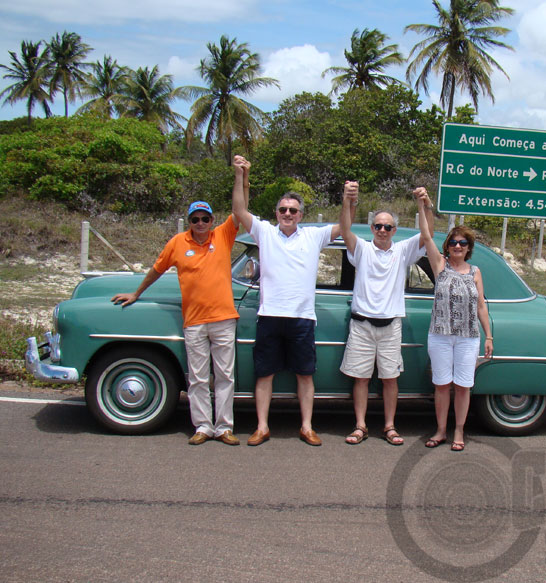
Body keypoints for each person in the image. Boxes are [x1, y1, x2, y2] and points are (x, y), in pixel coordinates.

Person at [111, 165, 247, 446]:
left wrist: (240, 176)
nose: (200, 223)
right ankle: (202, 427)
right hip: (194, 321)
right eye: (195, 219)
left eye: (205, 218)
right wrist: (137, 293)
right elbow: (156, 270)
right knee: (197, 378)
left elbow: (240, 207)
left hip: (223, 318)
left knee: (224, 376)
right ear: (189, 221)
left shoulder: (223, 235)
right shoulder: (177, 243)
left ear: (212, 219)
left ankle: (224, 427)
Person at [231, 157, 356, 447]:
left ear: (300, 215)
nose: (288, 213)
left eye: (293, 210)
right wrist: (240, 176)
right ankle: (262, 426)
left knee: (305, 374)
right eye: (283, 209)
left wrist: (349, 200)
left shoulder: (313, 236)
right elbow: (239, 210)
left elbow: (344, 227)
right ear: (276, 213)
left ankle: (307, 426)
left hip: (302, 318)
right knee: (264, 374)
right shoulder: (264, 232)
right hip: (270, 315)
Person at [338, 183, 434, 445]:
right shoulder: (362, 249)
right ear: (371, 229)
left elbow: (428, 235)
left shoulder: (402, 251)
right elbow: (345, 230)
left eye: (388, 227)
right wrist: (347, 201)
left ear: (395, 230)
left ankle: (390, 426)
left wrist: (424, 205)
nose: (382, 230)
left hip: (391, 325)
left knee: (390, 378)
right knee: (361, 378)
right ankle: (360, 426)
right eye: (378, 226)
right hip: (362, 324)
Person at [414, 187, 493, 451]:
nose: (457, 247)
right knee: (441, 384)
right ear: (447, 246)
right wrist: (423, 204)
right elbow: (426, 235)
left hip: (468, 338)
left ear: (468, 248)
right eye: (453, 242)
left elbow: (481, 306)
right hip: (440, 334)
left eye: (463, 243)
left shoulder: (476, 272)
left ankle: (459, 431)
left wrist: (489, 336)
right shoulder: (440, 265)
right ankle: (440, 430)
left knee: (462, 386)